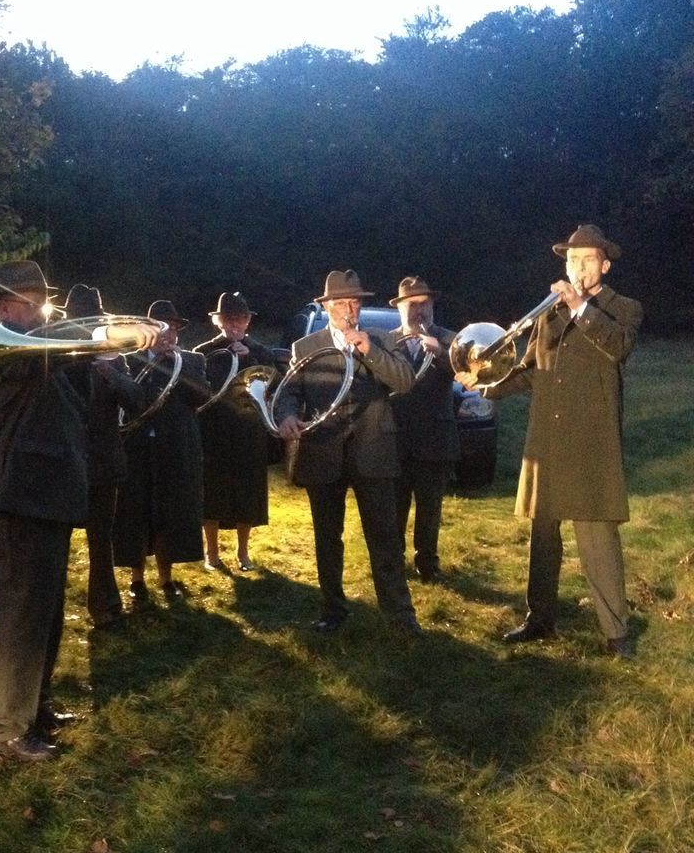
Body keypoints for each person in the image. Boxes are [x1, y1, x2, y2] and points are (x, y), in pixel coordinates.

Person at [459, 224, 642, 658]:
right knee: (543, 536)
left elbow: (618, 347)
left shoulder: (623, 309)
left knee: (597, 538)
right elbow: (527, 371)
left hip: (591, 443)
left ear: (605, 264)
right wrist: (482, 384)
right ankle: (539, 618)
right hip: (548, 440)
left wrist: (580, 307)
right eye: (571, 260)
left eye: (587, 259)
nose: (578, 267)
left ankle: (616, 633)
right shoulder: (548, 313)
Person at [0, 261, 90, 762]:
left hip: (46, 498)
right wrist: (101, 336)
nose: (41, 310)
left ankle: (34, 709)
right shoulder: (6, 353)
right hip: (17, 499)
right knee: (21, 620)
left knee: (44, 615)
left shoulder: (40, 353)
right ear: (2, 310)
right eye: (28, 301)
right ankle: (6, 732)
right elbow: (64, 351)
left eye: (42, 301)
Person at [274, 269, 421, 634]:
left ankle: (400, 615)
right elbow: (289, 392)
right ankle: (333, 610)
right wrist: (288, 415)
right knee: (327, 537)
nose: (349, 310)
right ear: (327, 307)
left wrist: (369, 350)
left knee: (385, 537)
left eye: (354, 302)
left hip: (373, 450)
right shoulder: (306, 348)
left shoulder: (382, 340)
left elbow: (405, 382)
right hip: (323, 451)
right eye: (341, 303)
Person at [112, 299, 211, 601]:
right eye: (162, 329)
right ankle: (137, 578)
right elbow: (130, 401)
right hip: (139, 447)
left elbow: (201, 397)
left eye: (174, 330)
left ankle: (167, 578)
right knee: (136, 513)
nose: (168, 336)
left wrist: (174, 365)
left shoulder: (192, 361)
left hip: (175, 447)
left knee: (170, 514)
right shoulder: (131, 360)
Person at [62, 283, 147, 632]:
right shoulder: (58, 353)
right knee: (58, 539)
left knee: (101, 539)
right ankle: (50, 607)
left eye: (92, 320)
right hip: (66, 459)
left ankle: (105, 606)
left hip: (104, 459)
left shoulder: (115, 355)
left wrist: (110, 372)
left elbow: (136, 401)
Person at [196, 290, 279, 572]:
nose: (235, 324)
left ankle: (243, 553)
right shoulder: (204, 352)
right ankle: (211, 552)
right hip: (214, 432)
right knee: (213, 494)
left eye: (240, 319)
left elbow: (274, 385)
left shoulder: (261, 351)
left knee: (248, 494)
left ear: (247, 322)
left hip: (249, 431)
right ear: (218, 322)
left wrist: (250, 357)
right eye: (229, 319)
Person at [386, 276, 459, 583]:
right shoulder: (386, 342)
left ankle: (427, 564)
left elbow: (470, 372)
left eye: (424, 303)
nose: (419, 310)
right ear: (400, 308)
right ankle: (394, 563)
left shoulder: (451, 339)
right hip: (396, 439)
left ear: (432, 306)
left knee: (430, 509)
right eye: (412, 305)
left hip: (435, 439)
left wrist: (441, 354)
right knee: (395, 507)